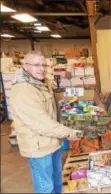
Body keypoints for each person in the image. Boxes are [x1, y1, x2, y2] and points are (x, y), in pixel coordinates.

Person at [9, 51, 82, 193]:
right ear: (25, 66)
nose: (41, 68)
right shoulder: (23, 91)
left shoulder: (42, 83)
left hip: (52, 143)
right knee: (45, 187)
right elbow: (43, 124)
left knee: (56, 181)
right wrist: (69, 132)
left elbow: (54, 107)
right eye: (36, 65)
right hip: (39, 147)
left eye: (43, 65)